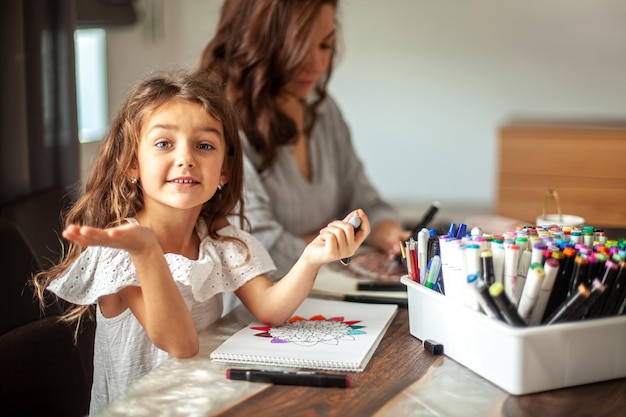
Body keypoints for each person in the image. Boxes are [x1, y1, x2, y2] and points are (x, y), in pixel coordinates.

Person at [32, 70, 369, 414]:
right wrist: (147, 251)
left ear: (224, 170)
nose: (186, 158)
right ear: (132, 163)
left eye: (205, 145)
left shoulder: (220, 241)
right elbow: (181, 344)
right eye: (164, 143)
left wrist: (311, 259)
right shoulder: (122, 249)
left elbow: (271, 308)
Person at [196, 0, 410, 280]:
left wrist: (390, 234)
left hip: (323, 291)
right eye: (297, 48)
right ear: (254, 42)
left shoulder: (321, 108)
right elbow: (259, 251)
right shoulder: (218, 123)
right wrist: (344, 243)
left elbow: (365, 202)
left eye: (324, 46)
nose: (317, 65)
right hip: (253, 309)